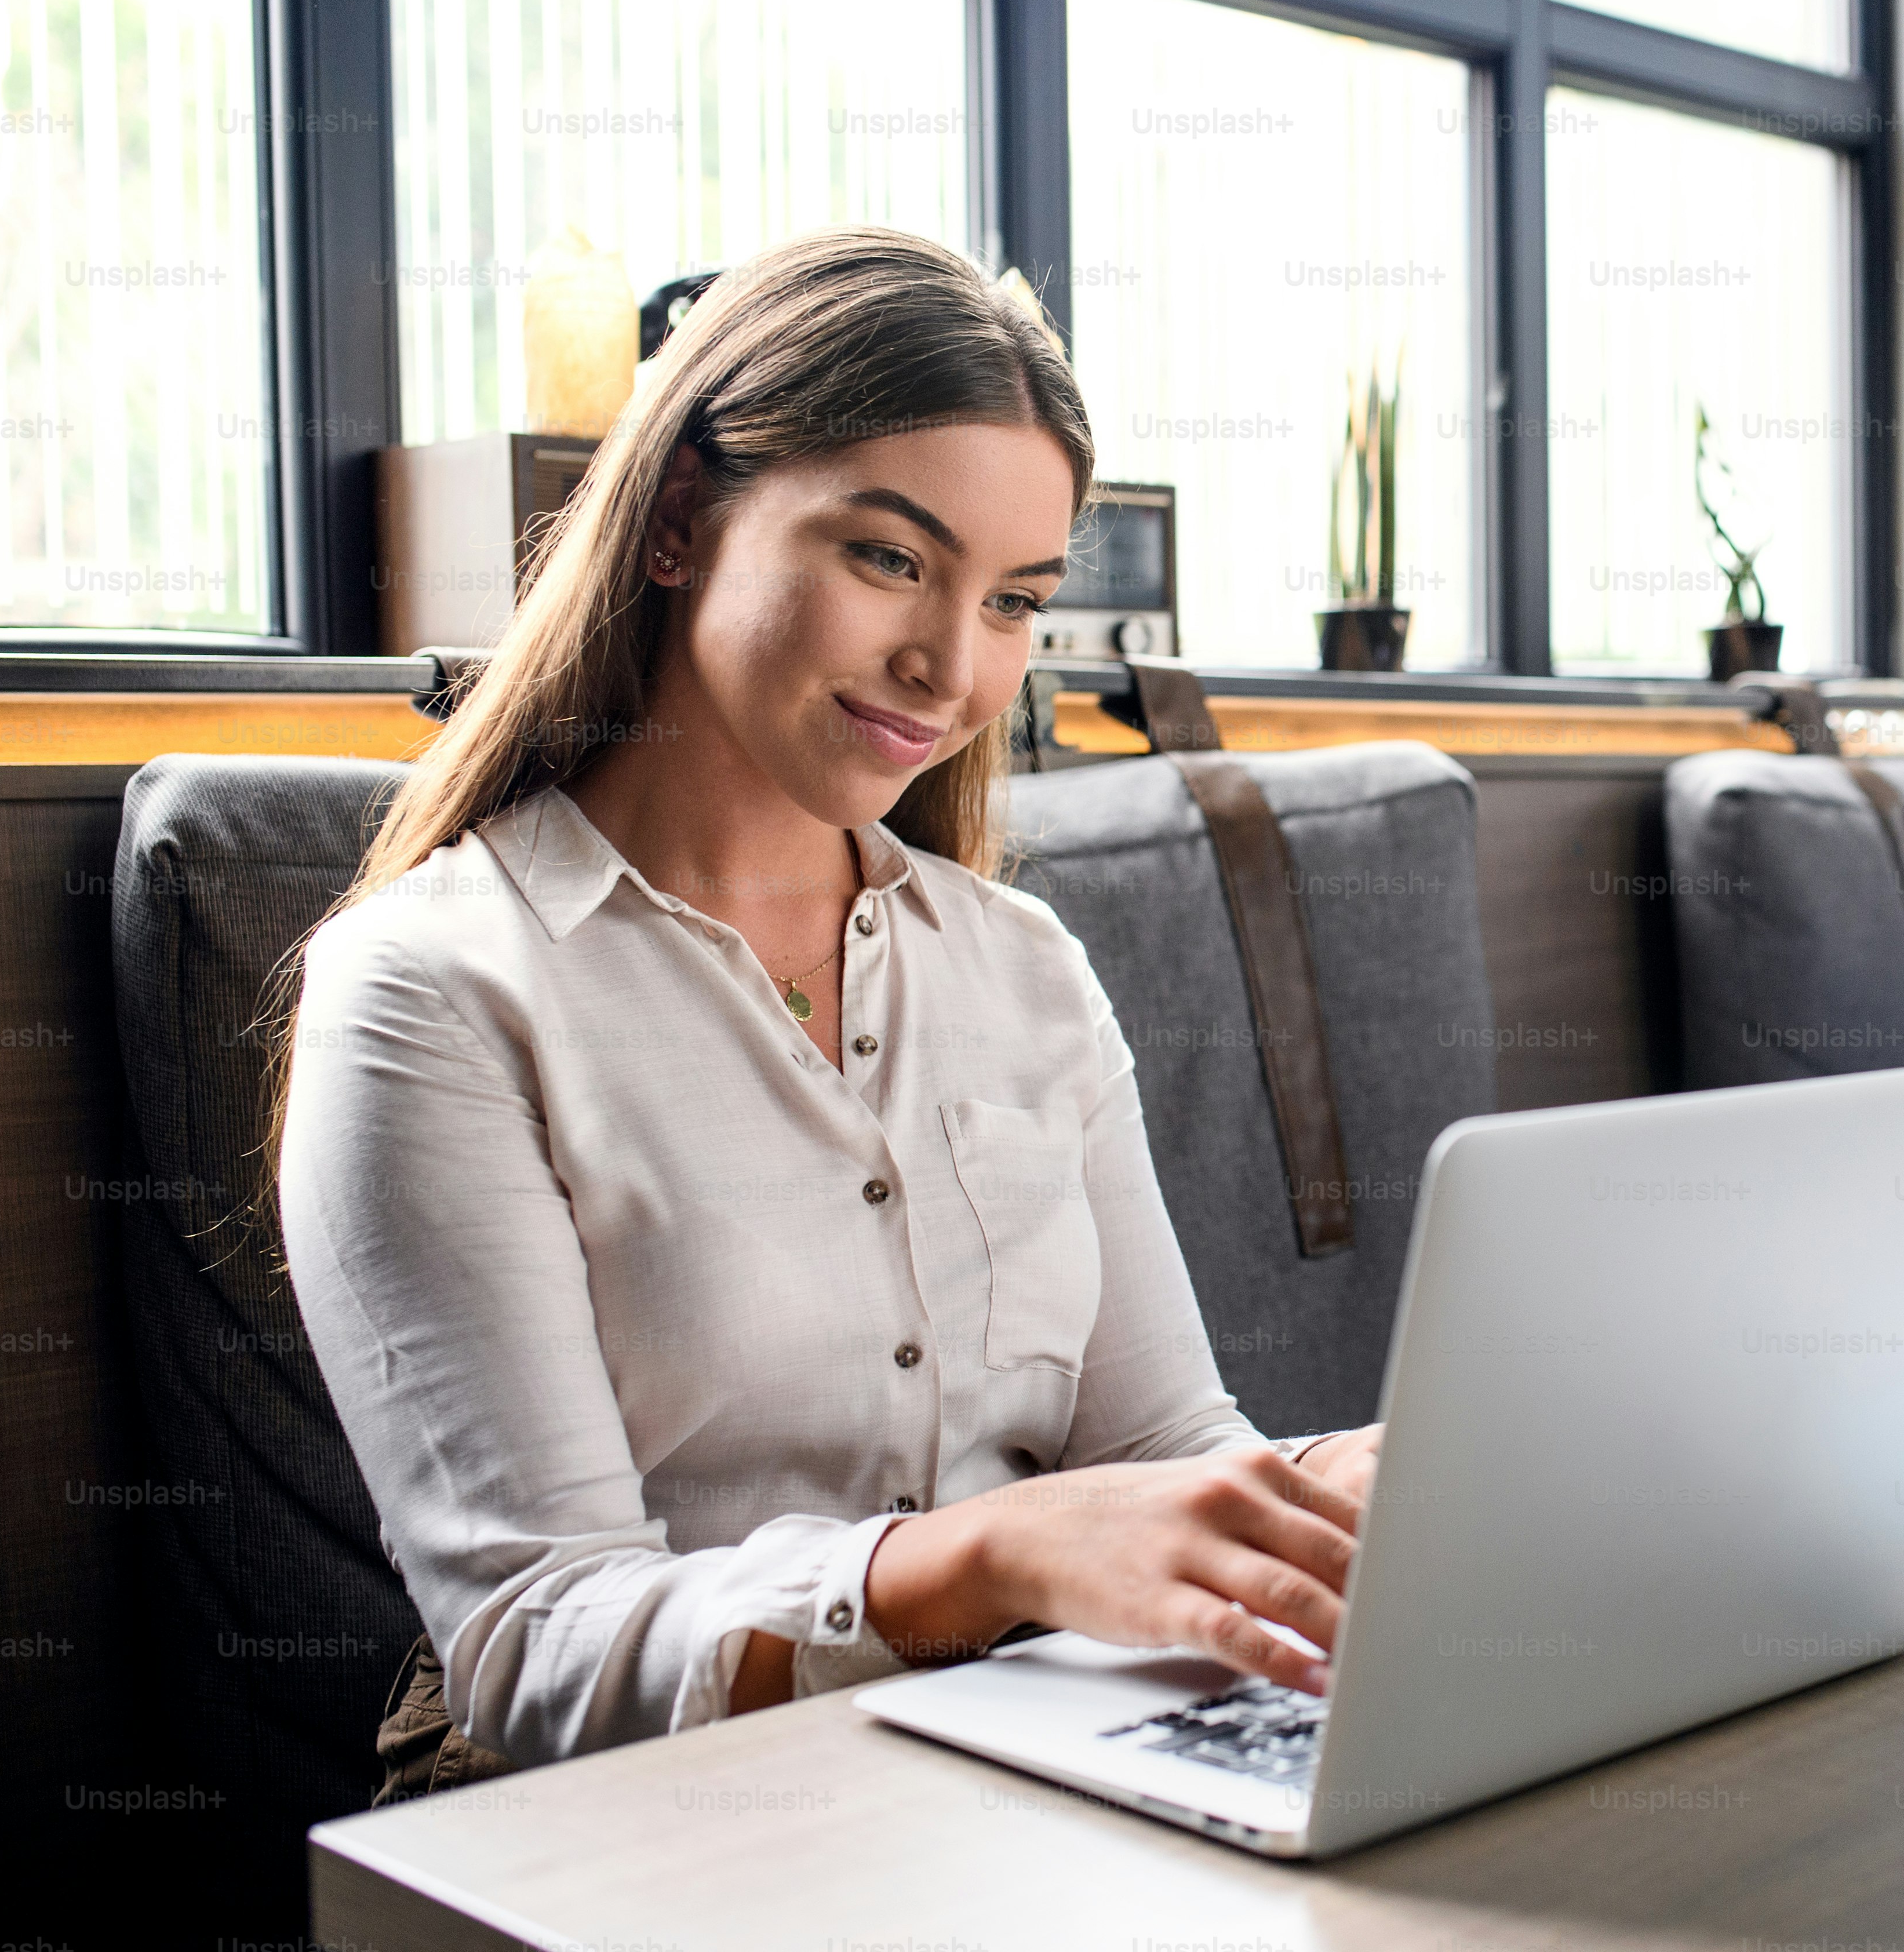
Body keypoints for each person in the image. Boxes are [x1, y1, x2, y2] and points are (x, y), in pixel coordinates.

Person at [274, 229, 1377, 1791]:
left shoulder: (1021, 967)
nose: (949, 664)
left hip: (1025, 1738)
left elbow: (1158, 1454)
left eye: (1013, 601)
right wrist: (975, 1564)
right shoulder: (437, 990)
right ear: (676, 526)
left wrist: (1337, 1490)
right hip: (609, 1806)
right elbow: (535, 1644)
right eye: (888, 558)